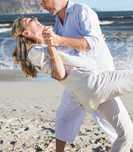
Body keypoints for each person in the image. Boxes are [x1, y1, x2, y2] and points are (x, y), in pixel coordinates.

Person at [12, 16, 133, 152]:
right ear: (26, 33)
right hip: (94, 83)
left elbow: (79, 58)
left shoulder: (55, 38)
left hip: (91, 89)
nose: (35, 18)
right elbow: (60, 74)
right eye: (29, 21)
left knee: (127, 134)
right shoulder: (35, 52)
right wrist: (51, 45)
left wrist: (94, 46)